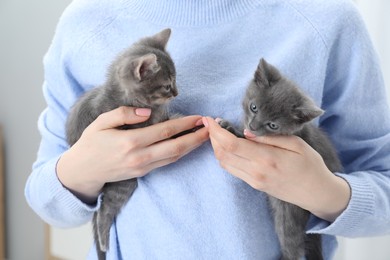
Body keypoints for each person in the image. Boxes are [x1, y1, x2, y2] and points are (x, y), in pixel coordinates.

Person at [25, 0, 390, 259]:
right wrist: (84, 169)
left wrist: (323, 191)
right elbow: (46, 200)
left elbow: (383, 185)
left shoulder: (327, 20)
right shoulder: (85, 23)